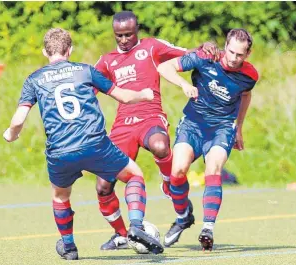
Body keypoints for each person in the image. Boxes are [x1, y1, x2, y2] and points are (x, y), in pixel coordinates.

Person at [3, 28, 164, 260]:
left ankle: (69, 247)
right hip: (95, 144)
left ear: (44, 51)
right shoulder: (85, 70)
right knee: (134, 175)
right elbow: (125, 97)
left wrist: (11, 134)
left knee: (60, 196)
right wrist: (146, 95)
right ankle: (136, 225)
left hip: (60, 151)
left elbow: (19, 119)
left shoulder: (34, 79)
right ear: (70, 50)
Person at [94, 10, 219, 250]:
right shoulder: (106, 60)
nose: (123, 40)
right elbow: (89, 90)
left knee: (161, 146)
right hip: (122, 126)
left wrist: (206, 47)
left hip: (151, 117)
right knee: (103, 185)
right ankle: (121, 234)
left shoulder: (152, 47)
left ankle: (167, 183)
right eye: (118, 36)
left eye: (128, 34)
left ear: (137, 30)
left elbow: (187, 54)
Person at [157, 28, 258, 250]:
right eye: (230, 52)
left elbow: (245, 95)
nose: (233, 58)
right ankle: (183, 217)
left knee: (213, 169)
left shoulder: (250, 76)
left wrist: (238, 128)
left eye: (239, 55)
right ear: (225, 47)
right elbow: (164, 67)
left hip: (222, 128)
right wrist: (184, 84)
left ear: (247, 54)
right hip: (194, 123)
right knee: (178, 172)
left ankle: (208, 229)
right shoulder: (205, 57)